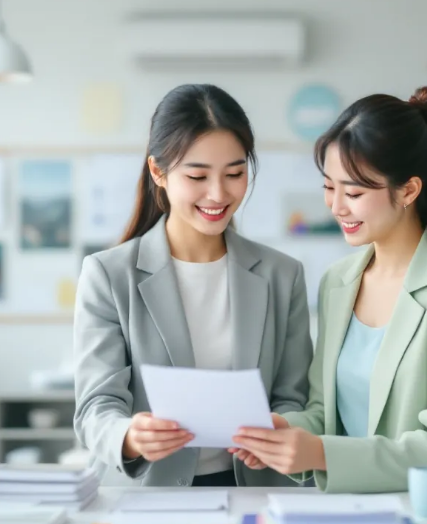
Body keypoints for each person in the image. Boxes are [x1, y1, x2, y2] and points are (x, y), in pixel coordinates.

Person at [231, 86, 427, 493]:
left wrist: (319, 453)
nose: (336, 206)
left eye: (355, 192)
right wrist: (283, 430)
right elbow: (325, 412)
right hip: (347, 511)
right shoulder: (338, 282)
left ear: (408, 190)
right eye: (329, 187)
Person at [73, 84, 312, 487]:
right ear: (158, 172)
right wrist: (129, 435)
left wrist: (280, 428)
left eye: (234, 174)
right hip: (150, 496)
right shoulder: (108, 275)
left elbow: (293, 397)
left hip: (256, 491)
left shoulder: (282, 275)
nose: (218, 194)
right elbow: (96, 407)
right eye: (198, 176)